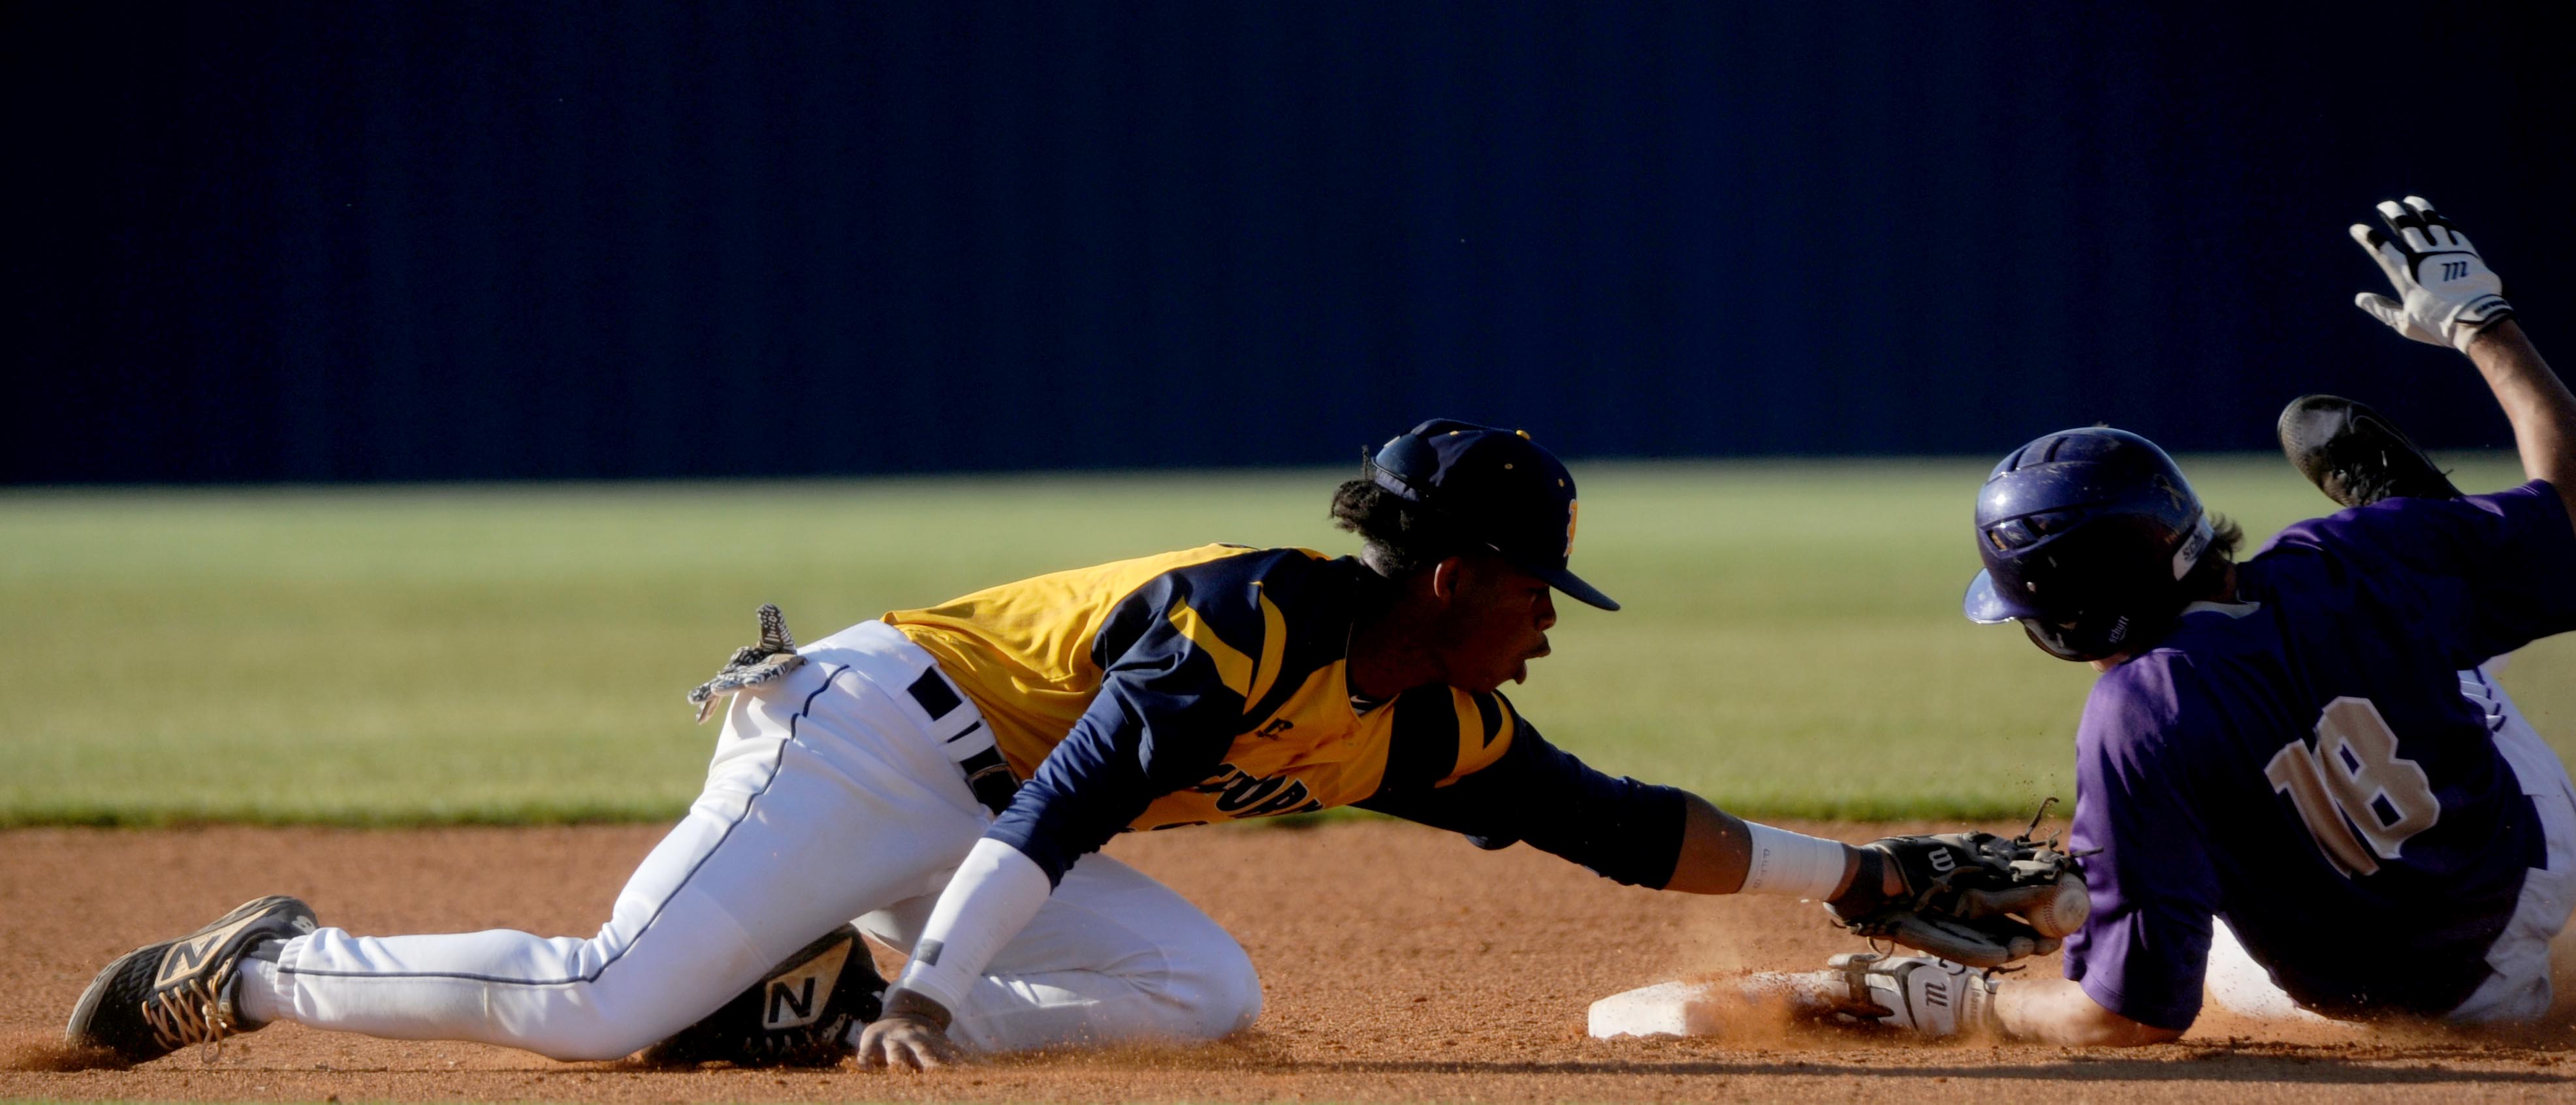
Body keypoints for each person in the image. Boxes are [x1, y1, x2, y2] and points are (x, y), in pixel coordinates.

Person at [70, 418, 1963, 1070]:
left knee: (1199, 989)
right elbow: (1064, 798)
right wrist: (944, 983)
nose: (1552, 619)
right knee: (599, 1006)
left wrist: (1863, 871)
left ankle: (807, 1008)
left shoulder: (1421, 710)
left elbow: (1625, 827)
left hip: (971, 820)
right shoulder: (1256, 617)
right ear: (1456, 571)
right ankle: (251, 965)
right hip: (876, 745)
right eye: (1539, 586)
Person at [1822, 196, 2576, 1043]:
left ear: (2068, 627)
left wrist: (1977, 1005)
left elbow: (2127, 1014)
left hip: (2397, 1000)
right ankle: (2452, 583)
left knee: (2203, 904)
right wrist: (2483, 323)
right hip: (2533, 863)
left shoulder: (2133, 719)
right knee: (2423, 620)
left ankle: (2444, 610)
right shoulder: (2349, 553)